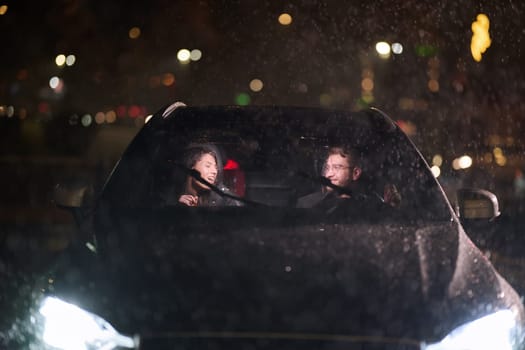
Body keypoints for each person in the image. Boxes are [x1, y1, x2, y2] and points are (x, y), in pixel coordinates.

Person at [296, 146, 364, 208]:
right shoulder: (305, 203)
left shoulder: (367, 207)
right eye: (327, 168)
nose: (328, 174)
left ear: (355, 173)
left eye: (337, 167)